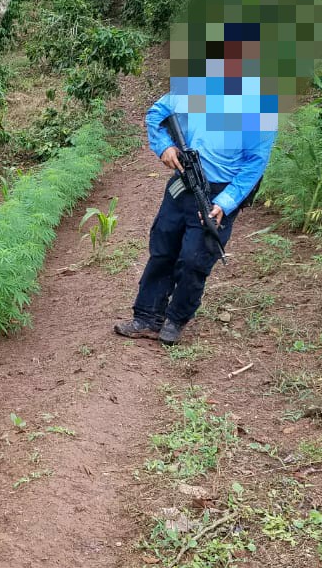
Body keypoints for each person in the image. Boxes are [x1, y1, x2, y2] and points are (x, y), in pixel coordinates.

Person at [114, 22, 276, 345]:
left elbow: (254, 166)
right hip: (182, 184)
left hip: (218, 194)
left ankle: (176, 319)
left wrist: (226, 203)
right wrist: (165, 147)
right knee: (162, 247)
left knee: (194, 259)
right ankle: (147, 316)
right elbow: (155, 116)